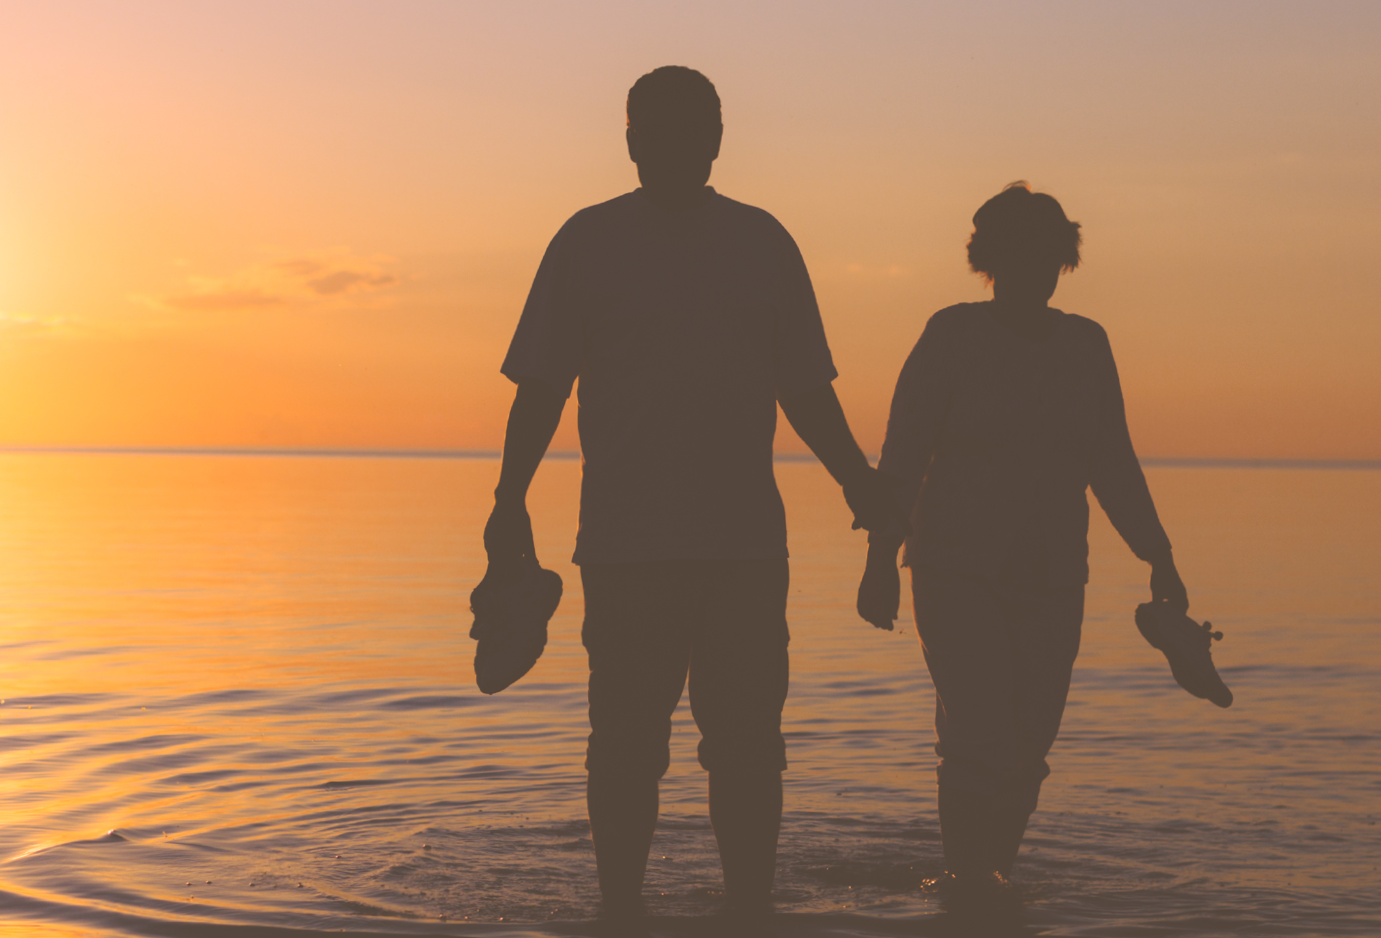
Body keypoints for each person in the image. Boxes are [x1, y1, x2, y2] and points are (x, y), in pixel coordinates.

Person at [485, 66, 900, 924]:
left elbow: (805, 391)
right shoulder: (586, 241)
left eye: (690, 129)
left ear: (716, 140)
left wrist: (862, 483)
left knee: (744, 748)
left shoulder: (763, 242)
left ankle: (745, 911)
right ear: (630, 140)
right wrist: (507, 497)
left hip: (741, 547)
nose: (672, 145)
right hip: (628, 545)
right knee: (629, 748)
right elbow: (541, 385)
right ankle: (622, 912)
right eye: (656, 130)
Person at [855, 183, 1192, 912]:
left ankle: (991, 883)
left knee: (1027, 748)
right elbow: (903, 455)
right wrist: (880, 561)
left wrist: (1158, 554)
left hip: (1053, 574)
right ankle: (964, 882)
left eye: (1049, 253)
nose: (1036, 267)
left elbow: (1113, 463)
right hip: (954, 569)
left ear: (1063, 260)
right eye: (1018, 252)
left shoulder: (1085, 343)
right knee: (976, 732)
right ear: (990, 259)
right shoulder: (952, 335)